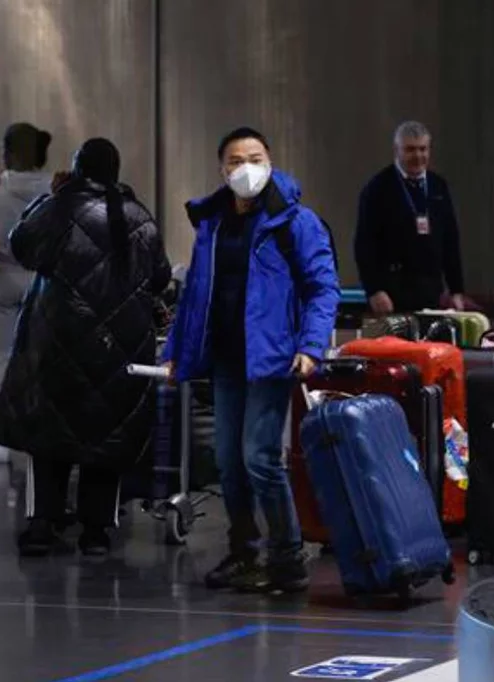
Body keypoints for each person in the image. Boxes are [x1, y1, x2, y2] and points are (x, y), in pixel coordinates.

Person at [164, 127, 339, 593]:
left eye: (255, 158)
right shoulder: (213, 223)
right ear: (222, 169)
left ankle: (286, 557)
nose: (246, 169)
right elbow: (195, 295)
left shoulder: (296, 222)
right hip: (225, 357)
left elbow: (323, 289)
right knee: (228, 459)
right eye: (236, 161)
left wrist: (311, 346)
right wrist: (176, 353)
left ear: (270, 161)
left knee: (259, 457)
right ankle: (244, 551)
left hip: (272, 357)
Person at [0, 138, 172, 558]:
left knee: (49, 434)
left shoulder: (59, 208)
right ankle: (96, 533)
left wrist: (53, 197)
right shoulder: (138, 216)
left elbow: (21, 246)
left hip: (56, 342)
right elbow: (160, 276)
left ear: (76, 168)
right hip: (120, 347)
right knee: (106, 435)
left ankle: (42, 524)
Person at [0, 123, 52, 468]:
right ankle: (35, 432)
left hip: (0, 281)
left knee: (0, 360)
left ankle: (0, 440)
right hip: (40, 281)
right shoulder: (53, 188)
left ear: (11, 152)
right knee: (36, 361)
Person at [354, 121, 465, 314]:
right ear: (397, 150)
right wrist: (374, 290)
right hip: (392, 293)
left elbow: (450, 240)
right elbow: (364, 244)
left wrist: (456, 290)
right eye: (410, 150)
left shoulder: (438, 186)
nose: (418, 156)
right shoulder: (378, 188)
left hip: (431, 291)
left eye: (423, 149)